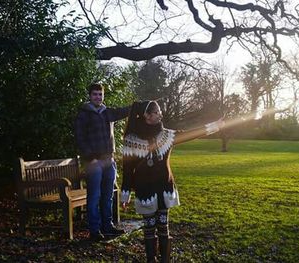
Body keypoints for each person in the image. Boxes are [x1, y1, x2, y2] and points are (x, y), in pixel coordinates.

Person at [121, 101, 225, 262]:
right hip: (145, 190)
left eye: (159, 111)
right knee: (149, 228)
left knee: (163, 226)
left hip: (163, 187)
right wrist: (125, 193)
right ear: (146, 116)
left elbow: (191, 133)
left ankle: (165, 259)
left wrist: (214, 126)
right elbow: (127, 169)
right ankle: (151, 259)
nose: (160, 114)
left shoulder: (167, 135)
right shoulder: (131, 139)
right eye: (157, 112)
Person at [74, 83, 130, 241]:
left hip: (108, 161)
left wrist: (138, 105)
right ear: (90, 96)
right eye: (95, 94)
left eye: (100, 94)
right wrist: (90, 158)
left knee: (108, 197)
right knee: (94, 197)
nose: (98, 97)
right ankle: (94, 230)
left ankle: (108, 226)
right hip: (94, 163)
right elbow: (80, 138)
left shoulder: (108, 113)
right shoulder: (83, 114)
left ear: (103, 96)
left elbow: (124, 111)